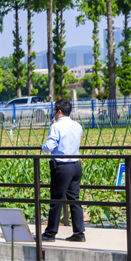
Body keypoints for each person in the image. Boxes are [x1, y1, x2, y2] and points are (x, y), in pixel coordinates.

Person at [41, 100, 85, 242]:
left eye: (54, 110)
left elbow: (49, 146)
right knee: (74, 200)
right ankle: (79, 233)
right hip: (75, 166)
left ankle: (50, 233)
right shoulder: (77, 126)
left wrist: (43, 146)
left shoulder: (56, 126)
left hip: (62, 167)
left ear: (59, 111)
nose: (53, 113)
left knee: (56, 200)